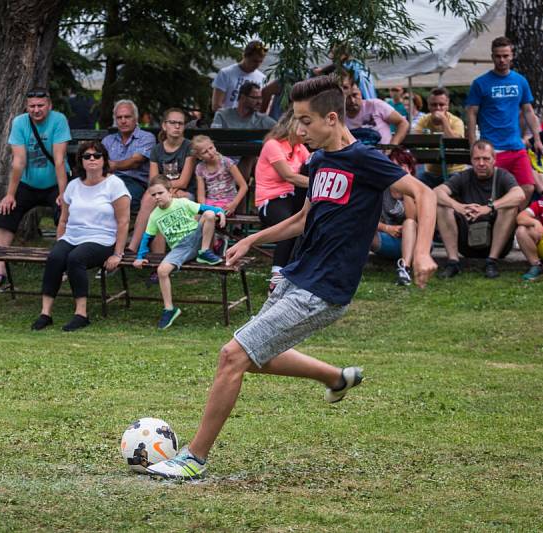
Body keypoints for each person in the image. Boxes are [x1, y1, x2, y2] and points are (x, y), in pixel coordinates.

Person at [145, 76, 437, 480]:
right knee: (252, 357)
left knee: (233, 355)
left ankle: (194, 458)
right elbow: (302, 220)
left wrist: (421, 251)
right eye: (297, 121)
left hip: (325, 288)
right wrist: (253, 240)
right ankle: (335, 377)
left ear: (332, 119)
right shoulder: (317, 162)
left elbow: (425, 194)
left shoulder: (364, 159)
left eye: (306, 121)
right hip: (296, 275)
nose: (299, 131)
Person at [31, 141, 130, 332]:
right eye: (87, 156)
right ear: (81, 161)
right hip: (73, 236)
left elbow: (123, 222)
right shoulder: (74, 185)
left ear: (104, 160)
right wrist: (60, 242)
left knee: (76, 258)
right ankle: (45, 313)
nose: (92, 159)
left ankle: (81, 314)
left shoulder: (115, 185)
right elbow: (63, 220)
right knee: (55, 257)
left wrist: (118, 254)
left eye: (97, 155)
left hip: (102, 239)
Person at [0, 87, 71, 287]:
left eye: (40, 106)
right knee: (6, 212)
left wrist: (63, 194)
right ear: (27, 107)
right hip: (28, 182)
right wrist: (10, 195)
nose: (36, 110)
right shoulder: (19, 123)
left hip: (55, 182)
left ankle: (62, 264)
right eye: (32, 106)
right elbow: (18, 161)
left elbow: (60, 160)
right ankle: (0, 266)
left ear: (49, 105)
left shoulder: (59, 120)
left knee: (65, 213)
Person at [133, 176, 226, 329]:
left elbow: (203, 209)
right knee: (162, 270)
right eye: (153, 195)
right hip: (180, 248)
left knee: (209, 215)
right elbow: (147, 237)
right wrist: (139, 257)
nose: (157, 197)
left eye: (160, 193)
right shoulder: (155, 215)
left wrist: (220, 211)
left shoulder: (182, 203)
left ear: (170, 192)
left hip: (195, 237)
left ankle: (204, 252)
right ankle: (169, 309)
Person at [466, 36, 543, 205]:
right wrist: (473, 145)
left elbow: (528, 110)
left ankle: (513, 225)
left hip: (516, 146)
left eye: (505, 55)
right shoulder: (480, 83)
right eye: (498, 56)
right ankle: (500, 225)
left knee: (528, 188)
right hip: (492, 149)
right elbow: (471, 114)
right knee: (495, 193)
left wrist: (537, 139)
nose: (502, 60)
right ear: (492, 56)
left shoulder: (520, 81)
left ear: (512, 56)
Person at [435, 140, 526, 279]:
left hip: (497, 244)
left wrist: (489, 208)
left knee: (510, 207)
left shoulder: (503, 176)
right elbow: (436, 192)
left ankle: (492, 262)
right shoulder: (463, 176)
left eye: (486, 158)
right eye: (477, 159)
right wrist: (457, 206)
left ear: (494, 159)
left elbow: (520, 195)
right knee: (443, 206)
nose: (481, 163)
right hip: (467, 242)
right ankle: (453, 262)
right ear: (471, 160)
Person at [253, 109, 310, 291]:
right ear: (292, 124)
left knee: (309, 221)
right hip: (270, 200)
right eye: (304, 124)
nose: (307, 129)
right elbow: (290, 177)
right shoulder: (273, 145)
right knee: (288, 227)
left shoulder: (300, 148)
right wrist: (321, 183)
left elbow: (312, 168)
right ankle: (276, 279)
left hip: (291, 198)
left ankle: (297, 273)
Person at [127, 108, 197, 255]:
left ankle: (142, 250)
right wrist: (164, 191)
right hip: (165, 191)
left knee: (157, 202)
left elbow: (184, 182)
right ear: (164, 126)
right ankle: (134, 248)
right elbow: (153, 181)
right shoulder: (157, 150)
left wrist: (164, 190)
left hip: (184, 194)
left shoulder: (189, 147)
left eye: (181, 123)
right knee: (150, 198)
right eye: (173, 122)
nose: (177, 126)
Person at [370, 147, 420, 286]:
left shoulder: (419, 190)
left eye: (401, 166)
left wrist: (406, 188)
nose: (396, 171)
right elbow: (368, 219)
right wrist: (387, 228)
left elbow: (412, 218)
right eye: (393, 166)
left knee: (410, 223)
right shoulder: (381, 190)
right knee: (363, 227)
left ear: (410, 169)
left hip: (414, 244)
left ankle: (405, 269)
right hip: (388, 240)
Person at [101, 99, 156, 212]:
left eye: (127, 117)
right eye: (119, 118)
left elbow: (135, 161)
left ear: (135, 118)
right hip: (110, 180)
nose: (123, 121)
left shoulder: (146, 137)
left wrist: (113, 165)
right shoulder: (108, 140)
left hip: (136, 183)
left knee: (118, 199)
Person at [412, 87, 468, 188]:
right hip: (430, 173)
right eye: (434, 105)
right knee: (413, 186)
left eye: (441, 105)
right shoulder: (423, 120)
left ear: (447, 106)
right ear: (428, 106)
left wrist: (444, 121)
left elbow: (454, 143)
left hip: (455, 172)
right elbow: (415, 140)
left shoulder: (456, 121)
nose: (438, 108)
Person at [341, 76, 408, 146]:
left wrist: (393, 145)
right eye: (347, 97)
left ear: (361, 93)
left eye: (355, 95)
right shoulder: (339, 115)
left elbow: (403, 123)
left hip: (383, 155)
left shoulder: (375, 105)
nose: (352, 100)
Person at [192, 135, 248, 214]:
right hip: (211, 202)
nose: (210, 153)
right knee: (198, 216)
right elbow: (201, 194)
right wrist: (203, 207)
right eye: (205, 152)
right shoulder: (200, 168)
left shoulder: (227, 162)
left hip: (228, 201)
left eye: (211, 148)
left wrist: (234, 204)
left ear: (214, 146)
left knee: (213, 215)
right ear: (199, 156)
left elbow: (243, 186)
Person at [211, 40, 268, 112]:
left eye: (260, 62)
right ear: (244, 56)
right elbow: (216, 106)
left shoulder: (262, 78)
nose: (257, 65)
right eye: (254, 61)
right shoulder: (225, 73)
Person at [211, 82, 277, 130]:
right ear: (243, 98)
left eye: (260, 98)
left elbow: (281, 130)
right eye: (255, 98)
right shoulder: (222, 115)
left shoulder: (262, 119)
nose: (259, 102)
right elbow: (215, 136)